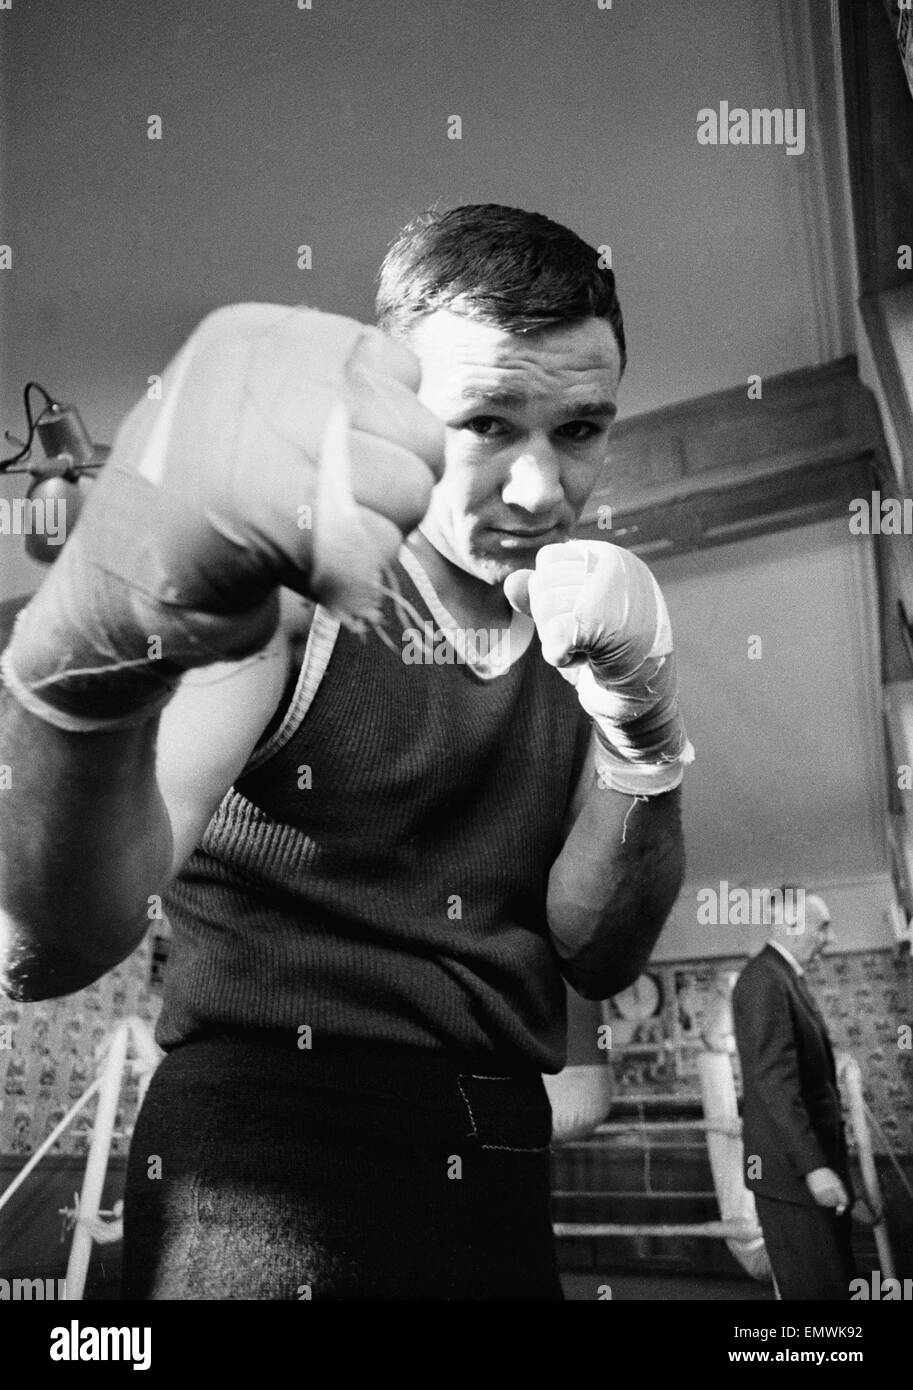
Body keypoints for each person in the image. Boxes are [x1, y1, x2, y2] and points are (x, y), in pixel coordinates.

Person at [0, 204, 690, 1300]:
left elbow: (596, 952)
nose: (539, 489)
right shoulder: (295, 590)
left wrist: (642, 731)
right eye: (487, 424)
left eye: (579, 429)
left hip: (501, 1152)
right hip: (270, 1149)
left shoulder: (587, 630)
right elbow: (42, 950)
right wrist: (77, 671)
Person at [731, 893, 856, 1300]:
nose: (831, 938)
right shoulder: (765, 979)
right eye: (823, 927)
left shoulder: (783, 976)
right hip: (792, 1175)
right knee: (817, 1289)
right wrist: (813, 1168)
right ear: (791, 925)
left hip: (801, 1169)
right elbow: (773, 1083)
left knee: (831, 1284)